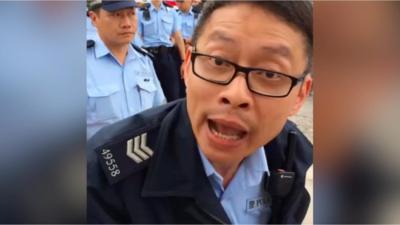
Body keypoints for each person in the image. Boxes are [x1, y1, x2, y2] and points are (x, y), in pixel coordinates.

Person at [87, 1, 313, 224]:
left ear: (300, 95)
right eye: (218, 61)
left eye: (270, 74)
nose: (235, 95)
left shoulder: (292, 155)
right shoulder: (105, 176)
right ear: (186, 66)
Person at [86, 0, 166, 139]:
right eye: (116, 15)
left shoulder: (144, 61)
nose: (127, 23)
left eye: (131, 14)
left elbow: (159, 110)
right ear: (94, 18)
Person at [137, 0, 186, 102]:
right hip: (149, 56)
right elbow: (138, 38)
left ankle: (173, 117)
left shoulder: (171, 12)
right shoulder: (141, 11)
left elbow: (178, 36)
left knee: (173, 92)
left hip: (167, 55)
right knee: (150, 93)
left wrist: (183, 61)